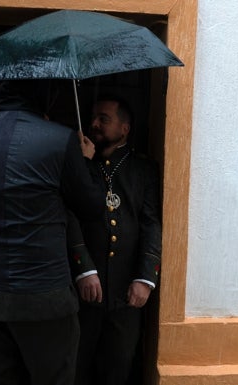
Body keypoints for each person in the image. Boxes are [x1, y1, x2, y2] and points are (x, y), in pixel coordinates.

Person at [0, 80, 104, 385]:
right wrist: (85, 162)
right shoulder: (60, 139)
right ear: (43, 94)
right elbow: (92, 209)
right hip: (43, 298)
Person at [68, 95, 162, 385]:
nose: (94, 124)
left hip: (126, 294)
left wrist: (146, 278)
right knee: (78, 367)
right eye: (93, 117)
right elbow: (70, 215)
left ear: (124, 128)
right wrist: (83, 267)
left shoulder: (142, 171)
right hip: (84, 294)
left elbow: (151, 224)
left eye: (104, 119)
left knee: (119, 368)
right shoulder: (81, 164)